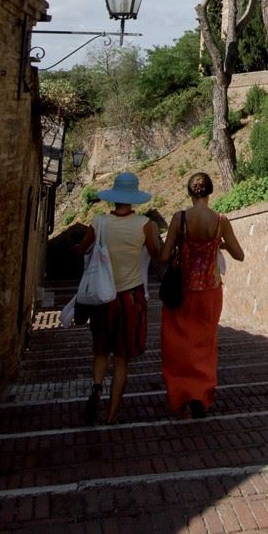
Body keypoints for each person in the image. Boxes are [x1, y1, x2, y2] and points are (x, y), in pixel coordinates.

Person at [78, 172, 161, 425]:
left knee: (101, 350)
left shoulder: (99, 223)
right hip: (130, 297)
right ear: (134, 199)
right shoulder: (144, 225)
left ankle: (95, 386)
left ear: (114, 197)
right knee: (122, 357)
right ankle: (112, 414)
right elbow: (156, 254)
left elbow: (81, 250)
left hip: (102, 298)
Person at [160, 171, 244, 417]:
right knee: (205, 343)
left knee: (178, 344)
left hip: (182, 289)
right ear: (210, 191)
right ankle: (201, 394)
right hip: (210, 290)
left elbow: (164, 256)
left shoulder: (180, 218)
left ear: (190, 192)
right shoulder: (220, 221)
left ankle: (182, 393)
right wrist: (222, 244)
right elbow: (240, 255)